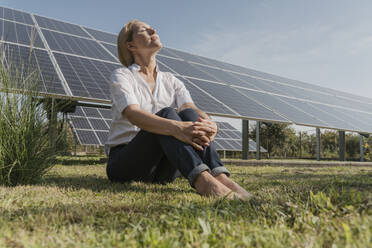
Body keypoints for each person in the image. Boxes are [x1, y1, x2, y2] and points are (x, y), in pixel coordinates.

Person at [105, 20, 251, 200]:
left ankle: (220, 176)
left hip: (164, 168)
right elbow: (133, 114)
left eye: (152, 27)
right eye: (144, 30)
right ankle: (204, 182)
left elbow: (190, 107)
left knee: (190, 115)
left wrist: (209, 123)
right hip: (127, 163)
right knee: (167, 114)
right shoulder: (122, 75)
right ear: (131, 45)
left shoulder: (170, 80)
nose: (153, 29)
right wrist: (176, 128)